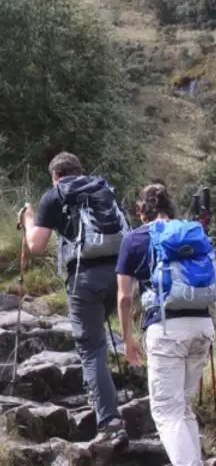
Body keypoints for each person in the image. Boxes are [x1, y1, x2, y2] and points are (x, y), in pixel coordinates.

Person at [17, 151, 130, 447]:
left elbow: (36, 245)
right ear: (80, 171)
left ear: (55, 175)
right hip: (119, 274)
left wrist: (28, 219)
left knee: (92, 349)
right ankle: (98, 395)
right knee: (97, 343)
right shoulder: (103, 190)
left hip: (85, 277)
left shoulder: (55, 195)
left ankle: (111, 424)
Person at [116, 183, 215, 466]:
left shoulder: (134, 239)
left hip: (167, 330)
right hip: (202, 325)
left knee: (166, 412)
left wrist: (127, 339)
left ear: (142, 210)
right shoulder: (194, 233)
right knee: (183, 408)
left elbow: (124, 297)